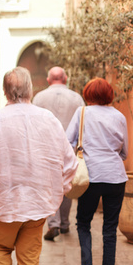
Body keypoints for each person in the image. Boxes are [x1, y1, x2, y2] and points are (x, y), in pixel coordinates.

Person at [0, 66, 78, 265]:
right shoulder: (49, 119)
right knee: (29, 260)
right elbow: (70, 163)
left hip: (1, 207)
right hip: (37, 206)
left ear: (4, 92)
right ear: (30, 90)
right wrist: (56, 194)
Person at [65, 77, 128, 265]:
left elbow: (68, 142)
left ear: (88, 95)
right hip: (116, 177)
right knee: (110, 229)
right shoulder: (119, 116)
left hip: (90, 176)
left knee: (83, 222)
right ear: (109, 95)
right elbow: (124, 152)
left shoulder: (82, 112)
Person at [32, 66, 85, 241]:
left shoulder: (39, 98)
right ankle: (64, 223)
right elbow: (83, 125)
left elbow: (33, 124)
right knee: (66, 184)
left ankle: (53, 223)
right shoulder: (76, 98)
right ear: (65, 78)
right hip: (69, 148)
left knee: (49, 185)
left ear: (48, 80)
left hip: (46, 148)